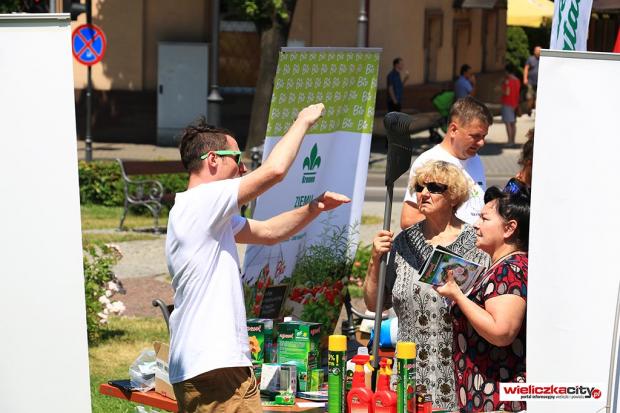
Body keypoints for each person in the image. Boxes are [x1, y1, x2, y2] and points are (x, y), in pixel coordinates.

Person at [165, 103, 351, 413]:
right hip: (216, 366)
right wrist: (302, 121)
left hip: (210, 365)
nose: (243, 169)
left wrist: (314, 208)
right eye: (237, 159)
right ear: (212, 159)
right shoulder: (202, 201)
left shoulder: (203, 213)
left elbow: (269, 232)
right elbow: (274, 171)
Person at [364, 160, 490, 411]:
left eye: (434, 188)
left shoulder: (476, 244)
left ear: (453, 196)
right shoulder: (403, 242)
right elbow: (373, 303)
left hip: (457, 377)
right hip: (407, 376)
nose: (423, 193)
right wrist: (374, 260)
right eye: (420, 187)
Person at [436, 184, 530, 412]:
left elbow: (502, 332)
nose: (476, 225)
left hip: (499, 400)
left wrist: (457, 295)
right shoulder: (503, 266)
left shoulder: (510, 269)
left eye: (484, 219)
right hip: (486, 396)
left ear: (509, 228)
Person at [400, 96, 492, 229]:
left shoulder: (475, 159)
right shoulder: (428, 161)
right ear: (453, 130)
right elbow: (408, 220)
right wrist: (458, 231)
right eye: (475, 136)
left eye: (484, 136)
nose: (481, 143)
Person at [501, 63, 521, 145]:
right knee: (513, 123)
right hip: (515, 104)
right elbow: (518, 93)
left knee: (508, 123)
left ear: (507, 71)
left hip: (507, 103)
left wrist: (501, 90)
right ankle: (513, 141)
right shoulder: (517, 80)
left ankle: (510, 141)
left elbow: (507, 92)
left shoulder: (507, 80)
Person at [523, 46, 541, 116]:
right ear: (534, 51)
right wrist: (525, 78)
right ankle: (529, 110)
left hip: (539, 83)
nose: (538, 52)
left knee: (537, 98)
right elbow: (526, 68)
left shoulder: (543, 59)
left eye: (539, 51)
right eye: (537, 51)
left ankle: (537, 112)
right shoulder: (530, 59)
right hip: (530, 82)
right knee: (530, 97)